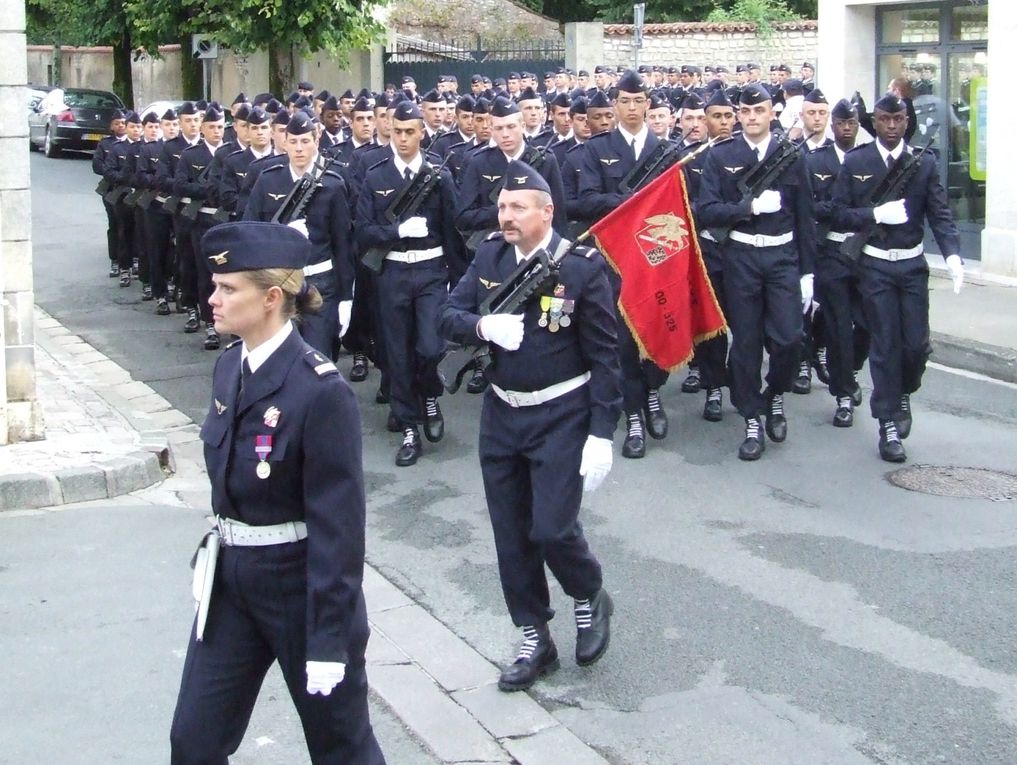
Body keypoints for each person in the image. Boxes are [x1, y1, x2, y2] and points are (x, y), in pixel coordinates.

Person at [169, 221, 385, 765]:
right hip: (231, 579)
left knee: (342, 747)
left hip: (298, 586)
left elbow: (339, 527)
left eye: (227, 289)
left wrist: (330, 637)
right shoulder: (228, 367)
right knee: (193, 743)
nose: (211, 298)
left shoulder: (319, 391)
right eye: (214, 285)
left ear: (271, 297)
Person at [439, 161, 619, 692]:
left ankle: (588, 594)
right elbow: (446, 313)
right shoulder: (490, 255)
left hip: (561, 413)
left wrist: (601, 432)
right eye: (501, 206)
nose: (506, 216)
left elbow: (607, 357)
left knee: (553, 528)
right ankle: (534, 636)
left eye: (518, 207)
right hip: (502, 413)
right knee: (511, 534)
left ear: (547, 212)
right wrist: (480, 324)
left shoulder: (582, 268)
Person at [829, 93, 964, 462]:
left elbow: (939, 212)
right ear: (875, 121)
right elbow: (838, 214)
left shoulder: (922, 163)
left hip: (912, 265)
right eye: (885, 119)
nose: (891, 126)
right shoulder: (859, 161)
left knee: (916, 347)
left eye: (898, 120)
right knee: (885, 345)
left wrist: (952, 253)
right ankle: (887, 422)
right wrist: (874, 215)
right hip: (874, 266)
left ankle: (904, 390)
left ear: (907, 121)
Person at [697, 83, 817, 461]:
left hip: (782, 256)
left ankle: (775, 395)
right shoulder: (722, 156)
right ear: (738, 115)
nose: (751, 118)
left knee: (788, 340)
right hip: (741, 258)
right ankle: (752, 417)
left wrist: (808, 273)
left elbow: (805, 218)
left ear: (771, 113)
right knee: (746, 343)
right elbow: (706, 209)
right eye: (745, 112)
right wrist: (747, 208)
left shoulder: (791, 156)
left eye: (759, 111)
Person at [356, 101, 464, 466]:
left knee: (431, 347)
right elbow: (362, 231)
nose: (403, 139)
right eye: (397, 131)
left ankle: (430, 394)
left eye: (409, 132)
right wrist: (395, 232)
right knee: (397, 353)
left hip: (432, 272)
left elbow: (453, 233)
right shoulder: (375, 176)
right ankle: (408, 428)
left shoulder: (439, 176)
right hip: (394, 273)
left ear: (422, 132)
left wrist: (459, 283)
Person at [578, 69, 671, 459]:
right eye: (625, 102)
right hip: (614, 261)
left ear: (648, 105)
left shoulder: (666, 152)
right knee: (623, 341)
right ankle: (633, 412)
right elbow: (582, 201)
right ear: (614, 106)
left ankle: (652, 390)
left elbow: (682, 207)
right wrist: (622, 201)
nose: (632, 108)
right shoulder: (596, 150)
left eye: (639, 101)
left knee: (657, 331)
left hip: (656, 258)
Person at [244, 111, 355, 359]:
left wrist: (346, 296)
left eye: (305, 141)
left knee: (318, 358)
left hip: (320, 283)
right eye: (293, 142)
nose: (299, 148)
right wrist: (281, 235)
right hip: (280, 282)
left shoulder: (333, 185)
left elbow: (343, 245)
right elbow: (250, 233)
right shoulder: (268, 181)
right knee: (282, 359)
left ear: (317, 141)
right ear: (284, 142)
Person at [809, 97, 870, 428]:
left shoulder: (868, 159)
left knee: (869, 324)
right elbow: (808, 206)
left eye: (852, 123)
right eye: (841, 123)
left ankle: (852, 368)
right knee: (839, 326)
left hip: (866, 254)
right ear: (832, 126)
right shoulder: (816, 161)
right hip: (831, 253)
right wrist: (836, 210)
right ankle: (843, 393)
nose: (846, 128)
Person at [92, 109, 128, 278]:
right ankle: (115, 259)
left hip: (130, 190)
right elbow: (97, 165)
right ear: (111, 126)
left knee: (130, 226)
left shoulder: (134, 144)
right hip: (111, 189)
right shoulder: (105, 144)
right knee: (115, 225)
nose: (121, 126)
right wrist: (112, 173)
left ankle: (130, 259)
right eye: (117, 123)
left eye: (123, 122)